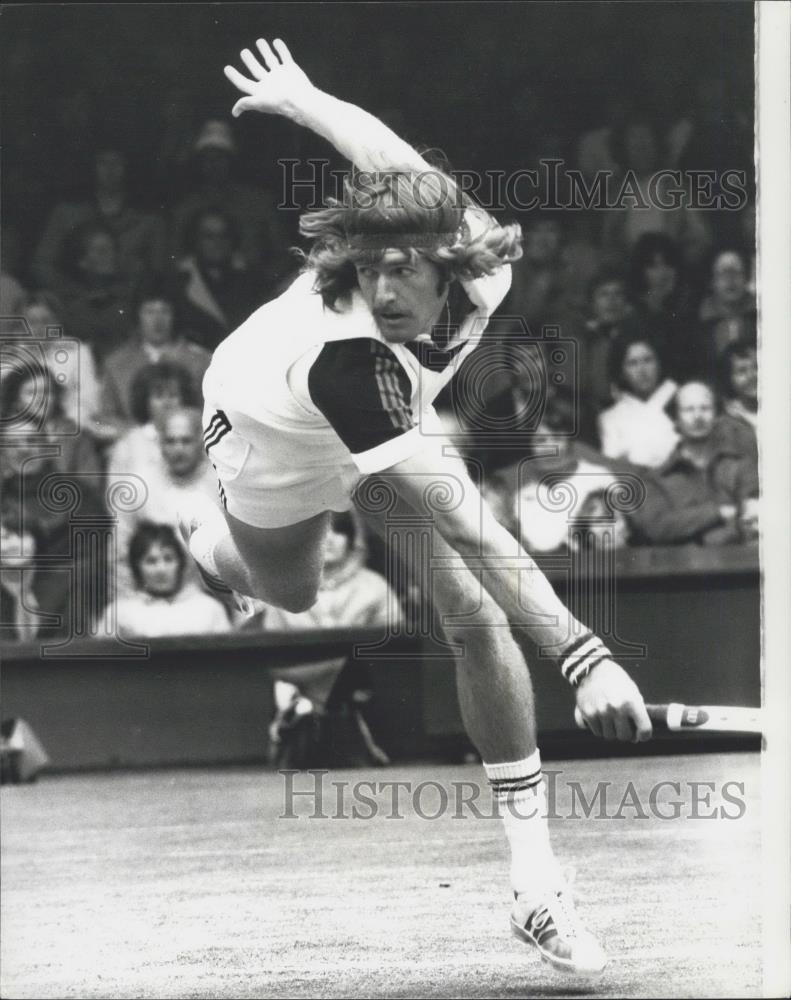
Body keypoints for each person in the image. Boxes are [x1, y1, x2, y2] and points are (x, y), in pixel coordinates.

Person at [180, 38, 652, 978]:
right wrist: (586, 657)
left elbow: (383, 151)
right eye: (369, 268)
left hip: (387, 426)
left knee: (474, 614)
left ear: (451, 262)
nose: (385, 289)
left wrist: (307, 100)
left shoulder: (479, 264)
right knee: (295, 590)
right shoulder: (346, 353)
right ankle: (214, 543)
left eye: (406, 269)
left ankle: (535, 889)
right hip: (270, 435)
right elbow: (472, 517)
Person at [628, 381, 759, 546]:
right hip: (681, 569)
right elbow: (658, 528)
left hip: (738, 565)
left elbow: (753, 516)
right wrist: (718, 512)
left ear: (716, 416)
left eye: (705, 408)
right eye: (688, 409)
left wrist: (690, 524)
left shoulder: (740, 466)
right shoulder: (657, 477)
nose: (698, 416)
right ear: (676, 419)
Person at [99, 275, 211, 429]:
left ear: (175, 315)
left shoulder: (200, 361)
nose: (157, 320)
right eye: (149, 311)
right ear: (137, 315)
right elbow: (106, 417)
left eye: (164, 311)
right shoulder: (116, 363)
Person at [115, 522, 230, 638]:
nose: (161, 569)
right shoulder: (121, 613)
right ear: (136, 567)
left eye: (168, 559)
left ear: (180, 563)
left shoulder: (208, 609)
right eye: (151, 561)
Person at [597, 334, 678, 469]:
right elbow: (613, 467)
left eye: (648, 360)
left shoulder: (679, 399)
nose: (642, 370)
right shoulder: (610, 418)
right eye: (632, 363)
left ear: (659, 363)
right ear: (622, 371)